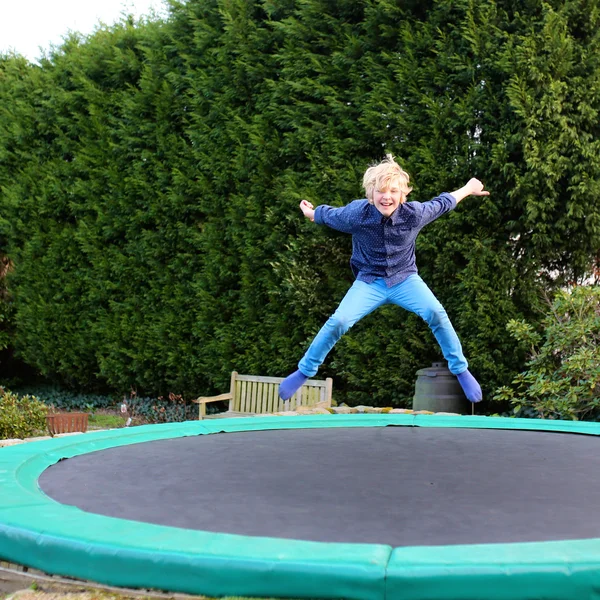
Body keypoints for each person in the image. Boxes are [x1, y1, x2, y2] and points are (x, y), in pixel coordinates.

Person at [279, 154, 489, 403]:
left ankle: (461, 370)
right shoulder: (357, 214)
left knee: (436, 313)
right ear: (371, 194)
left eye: (392, 191)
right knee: (339, 321)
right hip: (369, 281)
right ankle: (304, 371)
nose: (386, 197)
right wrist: (311, 213)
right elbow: (330, 216)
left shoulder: (415, 214)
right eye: (380, 191)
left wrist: (468, 188)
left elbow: (444, 202)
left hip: (405, 279)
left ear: (402, 196)